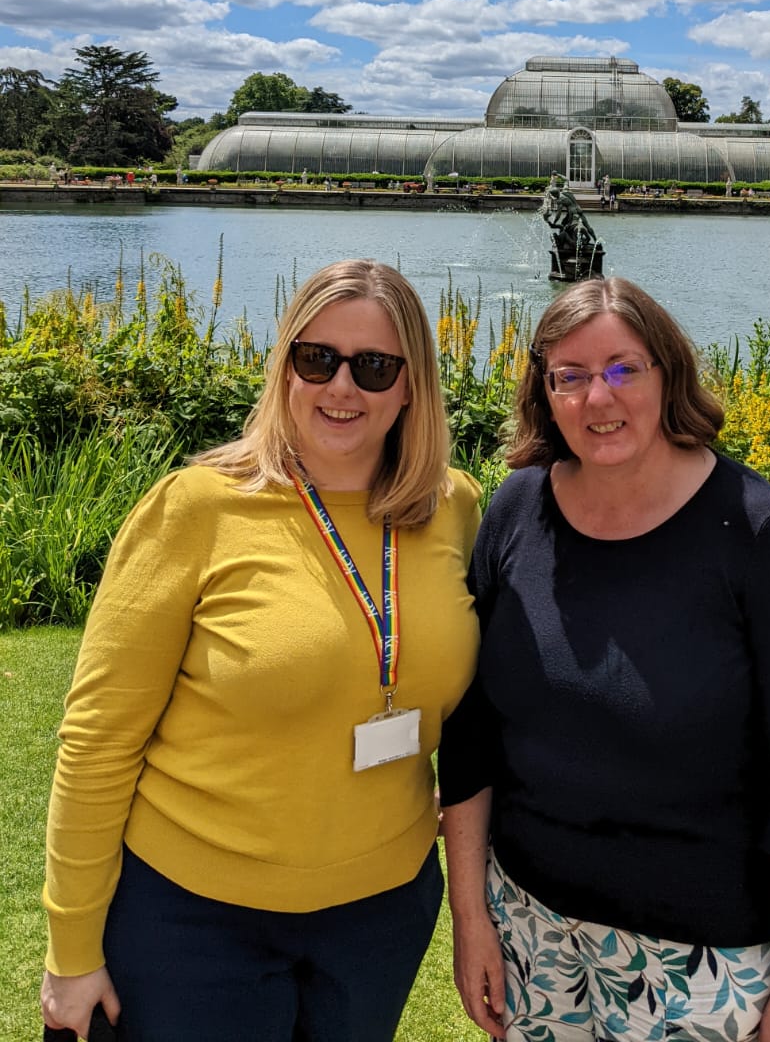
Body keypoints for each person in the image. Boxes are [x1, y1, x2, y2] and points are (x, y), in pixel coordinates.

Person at [40, 259, 481, 1041]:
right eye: (318, 359)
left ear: (411, 387)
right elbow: (98, 739)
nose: (342, 387)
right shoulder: (198, 507)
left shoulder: (452, 507)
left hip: (380, 914)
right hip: (195, 918)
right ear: (285, 367)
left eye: (375, 367)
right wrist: (73, 949)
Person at [439, 276, 770, 1042]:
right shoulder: (516, 509)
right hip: (533, 928)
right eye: (572, 376)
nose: (600, 398)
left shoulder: (757, 537)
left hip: (699, 958)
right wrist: (471, 918)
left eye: (624, 368)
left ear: (668, 374)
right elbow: (472, 737)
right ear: (543, 392)